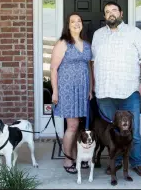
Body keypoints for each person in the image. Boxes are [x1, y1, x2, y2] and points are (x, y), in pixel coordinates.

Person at [91, 1, 141, 177]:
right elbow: (93, 62)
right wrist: (93, 85)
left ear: (121, 13)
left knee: (133, 130)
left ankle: (137, 162)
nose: (111, 14)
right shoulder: (98, 35)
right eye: (107, 11)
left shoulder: (134, 33)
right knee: (111, 132)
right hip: (104, 92)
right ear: (104, 16)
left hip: (128, 90)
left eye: (114, 11)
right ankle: (116, 162)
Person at [50, 12, 93, 174]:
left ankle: (76, 156)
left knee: (78, 126)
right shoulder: (63, 43)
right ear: (68, 26)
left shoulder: (87, 45)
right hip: (67, 89)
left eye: (79, 21)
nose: (76, 23)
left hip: (82, 90)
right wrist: (55, 92)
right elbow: (53, 69)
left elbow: (89, 68)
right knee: (72, 125)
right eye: (72, 21)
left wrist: (90, 89)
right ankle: (68, 159)